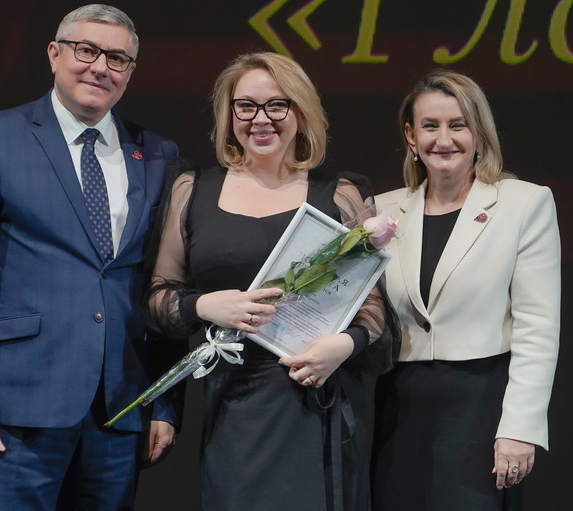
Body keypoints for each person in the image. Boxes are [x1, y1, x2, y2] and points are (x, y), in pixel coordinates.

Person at [0, 4, 183, 511]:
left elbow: (164, 283)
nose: (100, 67)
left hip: (120, 408)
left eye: (116, 58)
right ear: (54, 54)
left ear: (130, 71)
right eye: (86, 51)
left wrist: (165, 402)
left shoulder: (157, 154)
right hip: (16, 407)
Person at [144, 52, 393, 511]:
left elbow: (373, 308)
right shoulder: (193, 189)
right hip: (235, 406)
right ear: (229, 114)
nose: (261, 119)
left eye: (277, 105)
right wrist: (204, 306)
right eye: (246, 106)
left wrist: (344, 346)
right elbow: (159, 297)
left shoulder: (339, 194)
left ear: (301, 111)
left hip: (319, 400)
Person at [370, 68, 561, 510]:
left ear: (479, 134)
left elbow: (538, 326)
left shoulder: (524, 204)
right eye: (430, 126)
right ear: (411, 136)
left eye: (458, 125)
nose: (444, 139)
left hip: (482, 405)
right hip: (400, 406)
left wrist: (520, 428)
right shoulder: (381, 211)